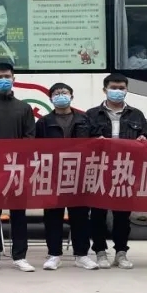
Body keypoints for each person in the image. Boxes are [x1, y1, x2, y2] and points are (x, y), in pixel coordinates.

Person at [84, 73, 147, 270]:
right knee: (98, 214)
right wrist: (93, 142)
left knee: (122, 216)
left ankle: (121, 253)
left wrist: (144, 140)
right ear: (104, 90)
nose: (118, 91)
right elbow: (82, 140)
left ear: (127, 90)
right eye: (114, 88)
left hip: (125, 169)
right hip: (99, 170)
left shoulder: (136, 114)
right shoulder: (91, 114)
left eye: (122, 88)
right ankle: (100, 252)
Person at [0, 63, 36, 272]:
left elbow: (30, 137)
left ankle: (20, 256)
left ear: (14, 79)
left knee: (19, 214)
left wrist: (16, 159)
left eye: (7, 76)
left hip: (18, 169)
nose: (4, 79)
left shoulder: (24, 108)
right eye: (0, 76)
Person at [36, 83, 94, 271]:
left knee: (80, 217)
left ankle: (82, 255)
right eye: (57, 93)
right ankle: (54, 255)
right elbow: (34, 149)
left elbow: (96, 144)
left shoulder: (84, 120)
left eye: (64, 93)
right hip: (53, 175)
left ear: (71, 96)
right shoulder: (43, 123)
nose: (61, 96)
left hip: (79, 175)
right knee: (53, 216)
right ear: (51, 99)